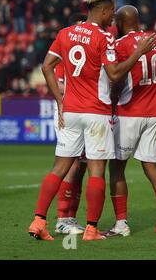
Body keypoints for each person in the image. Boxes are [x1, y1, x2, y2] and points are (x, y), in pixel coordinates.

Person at [28, 0, 156, 241]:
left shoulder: (65, 33)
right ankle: (91, 229)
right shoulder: (104, 37)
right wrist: (138, 52)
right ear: (106, 10)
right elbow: (115, 74)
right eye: (112, 12)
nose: (113, 19)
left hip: (71, 110)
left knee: (59, 168)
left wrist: (59, 101)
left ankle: (38, 221)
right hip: (96, 113)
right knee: (96, 171)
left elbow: (46, 67)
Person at [103, 5, 156, 238]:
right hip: (154, 113)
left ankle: (121, 224)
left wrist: (113, 97)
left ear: (118, 22)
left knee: (117, 168)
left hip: (129, 112)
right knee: (151, 167)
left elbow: (116, 77)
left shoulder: (121, 45)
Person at [54, 12, 88, 235]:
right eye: (79, 28)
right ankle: (61, 219)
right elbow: (60, 87)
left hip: (85, 113)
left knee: (82, 167)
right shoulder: (63, 58)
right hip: (69, 112)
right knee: (71, 165)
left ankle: (71, 218)